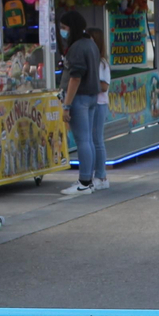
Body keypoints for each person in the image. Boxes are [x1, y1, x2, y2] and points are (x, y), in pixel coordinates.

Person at [58, 11, 104, 193]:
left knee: (82, 140)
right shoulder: (90, 44)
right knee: (89, 140)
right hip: (92, 96)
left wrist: (66, 105)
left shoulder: (76, 48)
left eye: (64, 27)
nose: (62, 31)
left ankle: (84, 182)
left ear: (72, 27)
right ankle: (89, 179)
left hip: (79, 98)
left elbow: (75, 78)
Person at [88, 26, 111, 188]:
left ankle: (101, 176)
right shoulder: (92, 62)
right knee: (91, 139)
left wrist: (89, 84)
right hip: (91, 103)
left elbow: (104, 86)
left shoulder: (101, 64)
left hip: (99, 103)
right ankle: (91, 174)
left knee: (97, 139)